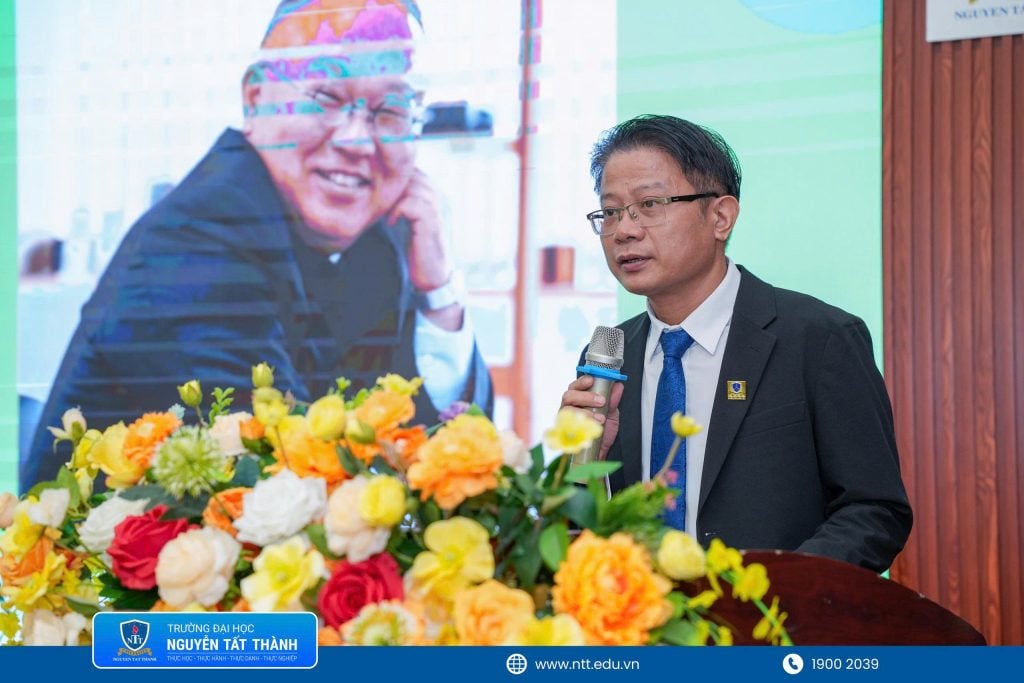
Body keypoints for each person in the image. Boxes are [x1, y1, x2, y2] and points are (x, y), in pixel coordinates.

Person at [22, 0, 492, 489]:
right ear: (254, 98)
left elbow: (454, 471)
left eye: (391, 110)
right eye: (326, 96)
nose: (356, 140)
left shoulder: (381, 246)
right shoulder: (197, 239)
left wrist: (440, 293)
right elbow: (281, 475)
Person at [560, 114, 911, 572]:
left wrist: (776, 593)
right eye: (610, 212)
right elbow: (585, 530)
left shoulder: (819, 338)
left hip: (774, 614)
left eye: (649, 204)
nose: (624, 230)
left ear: (720, 217)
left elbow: (874, 511)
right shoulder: (610, 357)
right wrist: (586, 468)